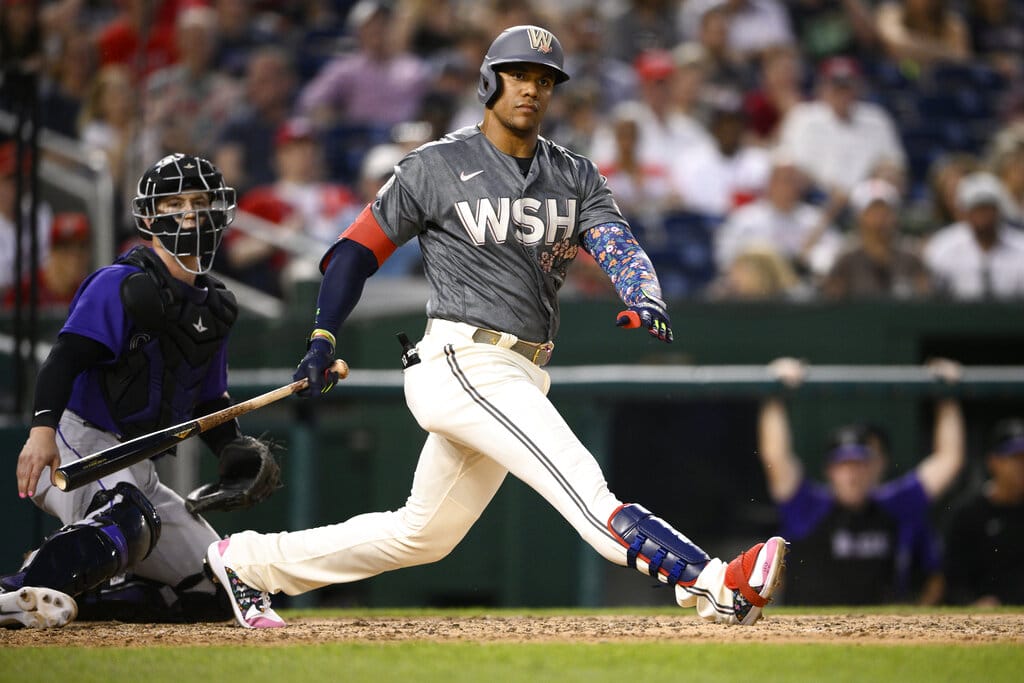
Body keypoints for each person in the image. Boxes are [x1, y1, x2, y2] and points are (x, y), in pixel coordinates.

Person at [205, 25, 788, 630]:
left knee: (421, 536)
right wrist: (323, 335)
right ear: (489, 80)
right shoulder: (435, 165)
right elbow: (353, 252)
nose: (532, 89)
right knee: (586, 492)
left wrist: (642, 292)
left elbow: (617, 243)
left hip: (523, 369)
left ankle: (246, 562)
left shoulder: (575, 174)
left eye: (543, 80)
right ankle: (718, 582)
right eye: (518, 75)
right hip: (463, 360)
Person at [0, 154, 280, 629]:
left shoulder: (215, 306)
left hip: (137, 462)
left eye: (199, 201)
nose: (189, 213)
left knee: (220, 588)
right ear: (149, 217)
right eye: (174, 203)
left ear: (219, 210)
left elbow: (209, 402)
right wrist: (41, 431)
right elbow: (64, 357)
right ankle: (16, 590)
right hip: (78, 441)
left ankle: (83, 597)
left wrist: (232, 447)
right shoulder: (121, 283)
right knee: (128, 512)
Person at [758, 357, 965, 605]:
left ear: (876, 467)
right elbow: (776, 456)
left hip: (881, 635)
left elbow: (949, 459)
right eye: (844, 465)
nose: (853, 474)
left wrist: (947, 397)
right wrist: (774, 394)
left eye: (860, 464)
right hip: (810, 633)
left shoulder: (894, 504)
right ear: (829, 471)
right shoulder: (807, 505)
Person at [943, 417, 1024, 606]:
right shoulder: (969, 513)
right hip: (983, 622)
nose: (1022, 466)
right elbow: (953, 581)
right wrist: (973, 603)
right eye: (1014, 458)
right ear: (993, 461)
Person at [822, 178, 933, 299]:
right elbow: (832, 304)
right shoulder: (845, 262)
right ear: (860, 217)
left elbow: (926, 301)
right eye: (873, 212)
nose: (880, 220)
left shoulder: (912, 260)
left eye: (886, 211)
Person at [923, 171, 1024, 299]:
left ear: (999, 210)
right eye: (977, 208)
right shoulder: (942, 246)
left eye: (988, 208)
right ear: (965, 211)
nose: (983, 215)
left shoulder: (1021, 247)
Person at [3, 211, 92, 310]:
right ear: (52, 252)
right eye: (66, 248)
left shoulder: (87, 293)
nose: (75, 258)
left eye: (82, 247)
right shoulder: (26, 290)